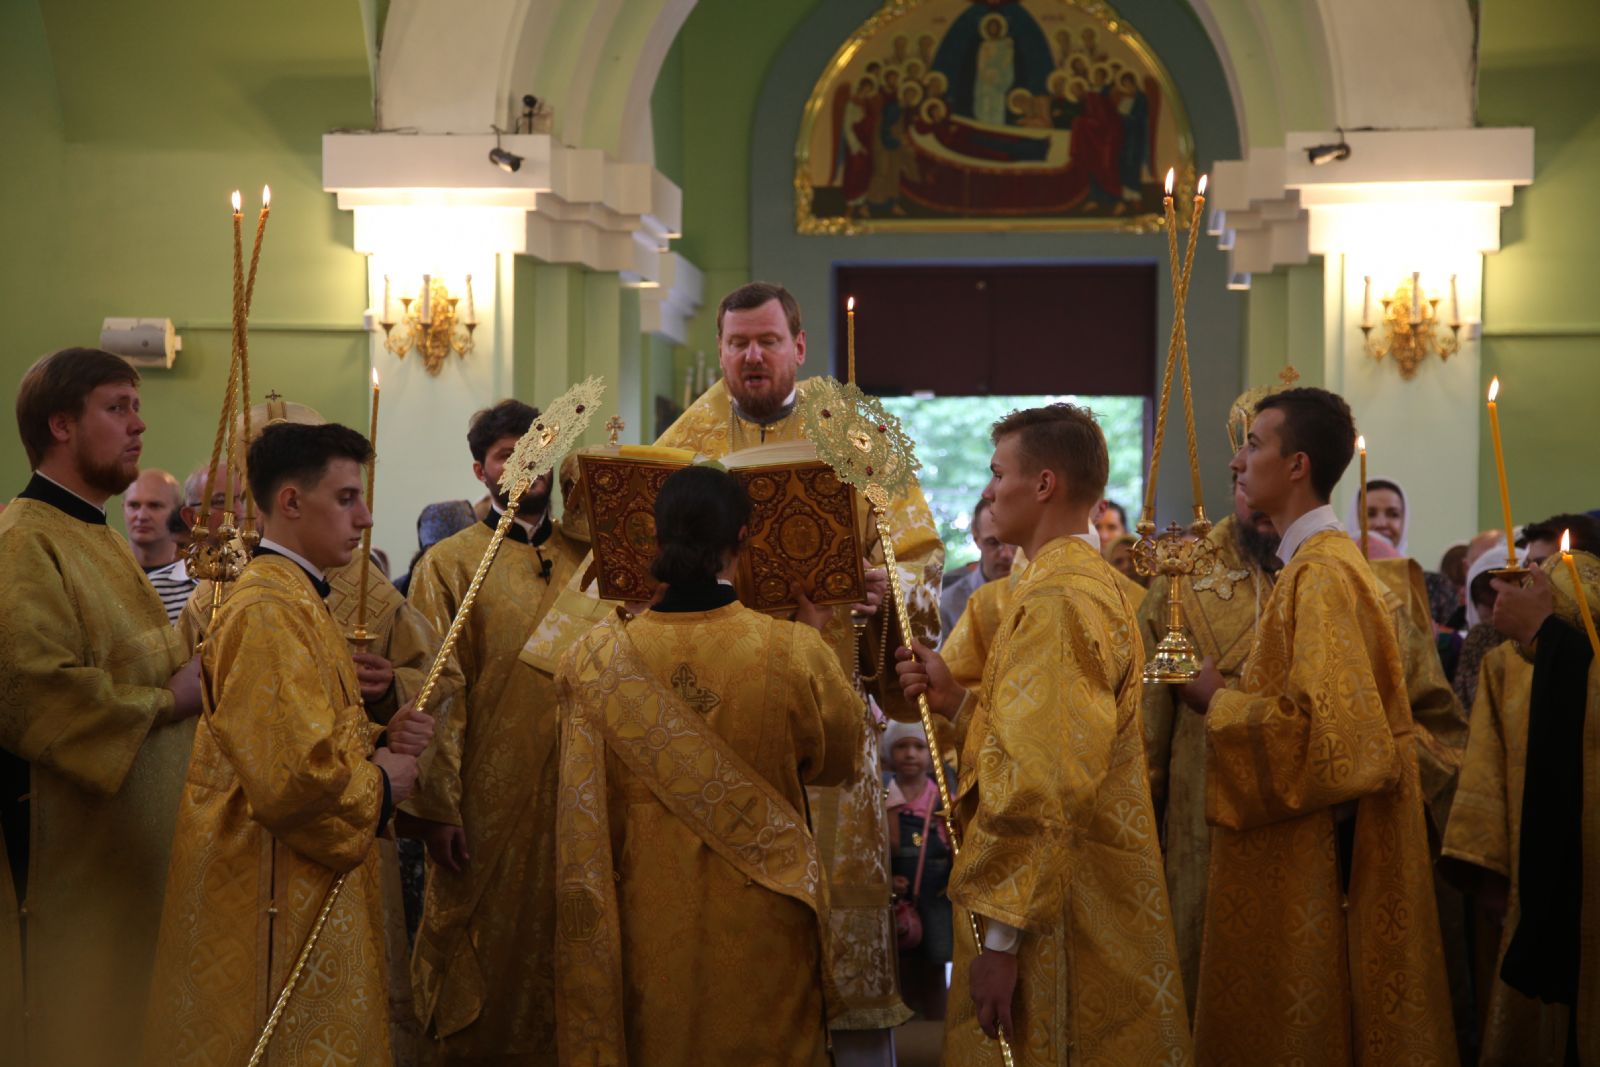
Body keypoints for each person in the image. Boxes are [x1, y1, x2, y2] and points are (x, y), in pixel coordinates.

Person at [536, 281, 943, 1058]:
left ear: (798, 346)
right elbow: (619, 567)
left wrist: (888, 582)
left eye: (765, 341)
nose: (750, 356)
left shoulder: (856, 440)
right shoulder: (685, 439)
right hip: (706, 708)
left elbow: (920, 553)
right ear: (720, 350)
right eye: (736, 344)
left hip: (821, 681)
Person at [894, 403, 1191, 1064]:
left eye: (1000, 472)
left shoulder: (1058, 602)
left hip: (1054, 918)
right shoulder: (1082, 586)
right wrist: (957, 704)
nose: (991, 489)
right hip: (1081, 889)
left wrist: (1001, 946)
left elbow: (1044, 782)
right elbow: (1041, 742)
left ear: (1045, 483)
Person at [1178, 387, 1456, 1064]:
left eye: (1254, 444)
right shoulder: (1319, 565)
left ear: (1297, 464)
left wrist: (1218, 699)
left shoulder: (1323, 576)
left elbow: (1334, 742)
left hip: (1315, 865)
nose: (1238, 463)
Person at [142, 422, 433, 1065]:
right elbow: (293, 778)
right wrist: (384, 780)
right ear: (293, 502)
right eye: (347, 498)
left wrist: (383, 735)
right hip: (270, 890)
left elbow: (310, 733)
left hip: (291, 877)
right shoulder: (269, 608)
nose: (365, 517)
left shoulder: (297, 597)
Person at [553, 465, 861, 1066]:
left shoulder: (593, 660)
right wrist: (819, 637)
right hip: (765, 914)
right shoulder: (792, 651)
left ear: (656, 538)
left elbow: (582, 808)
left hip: (645, 921)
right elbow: (838, 761)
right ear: (743, 537)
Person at [0, 348, 201, 1066]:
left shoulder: (103, 538)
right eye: (118, 407)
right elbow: (33, 694)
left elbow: (159, 654)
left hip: (132, 870)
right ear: (61, 425)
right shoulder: (23, 541)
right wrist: (169, 703)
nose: (139, 425)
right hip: (71, 872)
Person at [402, 398, 588, 1065]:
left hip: (578, 795)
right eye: (507, 451)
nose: (525, 460)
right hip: (482, 803)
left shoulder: (587, 560)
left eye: (537, 445)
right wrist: (438, 807)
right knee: (482, 947)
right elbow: (434, 692)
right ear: (481, 468)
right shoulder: (448, 564)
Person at [1441, 515, 1600, 1065]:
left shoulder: (1552, 646)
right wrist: (1487, 869)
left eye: (1555, 568)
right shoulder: (1503, 660)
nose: (1540, 577)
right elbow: (1485, 766)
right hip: (1533, 879)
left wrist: (1545, 636)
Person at [939, 497, 1015, 637]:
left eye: (1013, 541)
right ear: (976, 538)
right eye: (993, 543)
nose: (1006, 554)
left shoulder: (1038, 594)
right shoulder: (950, 605)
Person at [123, 467, 183, 570]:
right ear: (123, 508)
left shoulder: (194, 576)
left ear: (177, 511)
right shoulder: (106, 569)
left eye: (154, 506)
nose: (142, 516)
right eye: (134, 505)